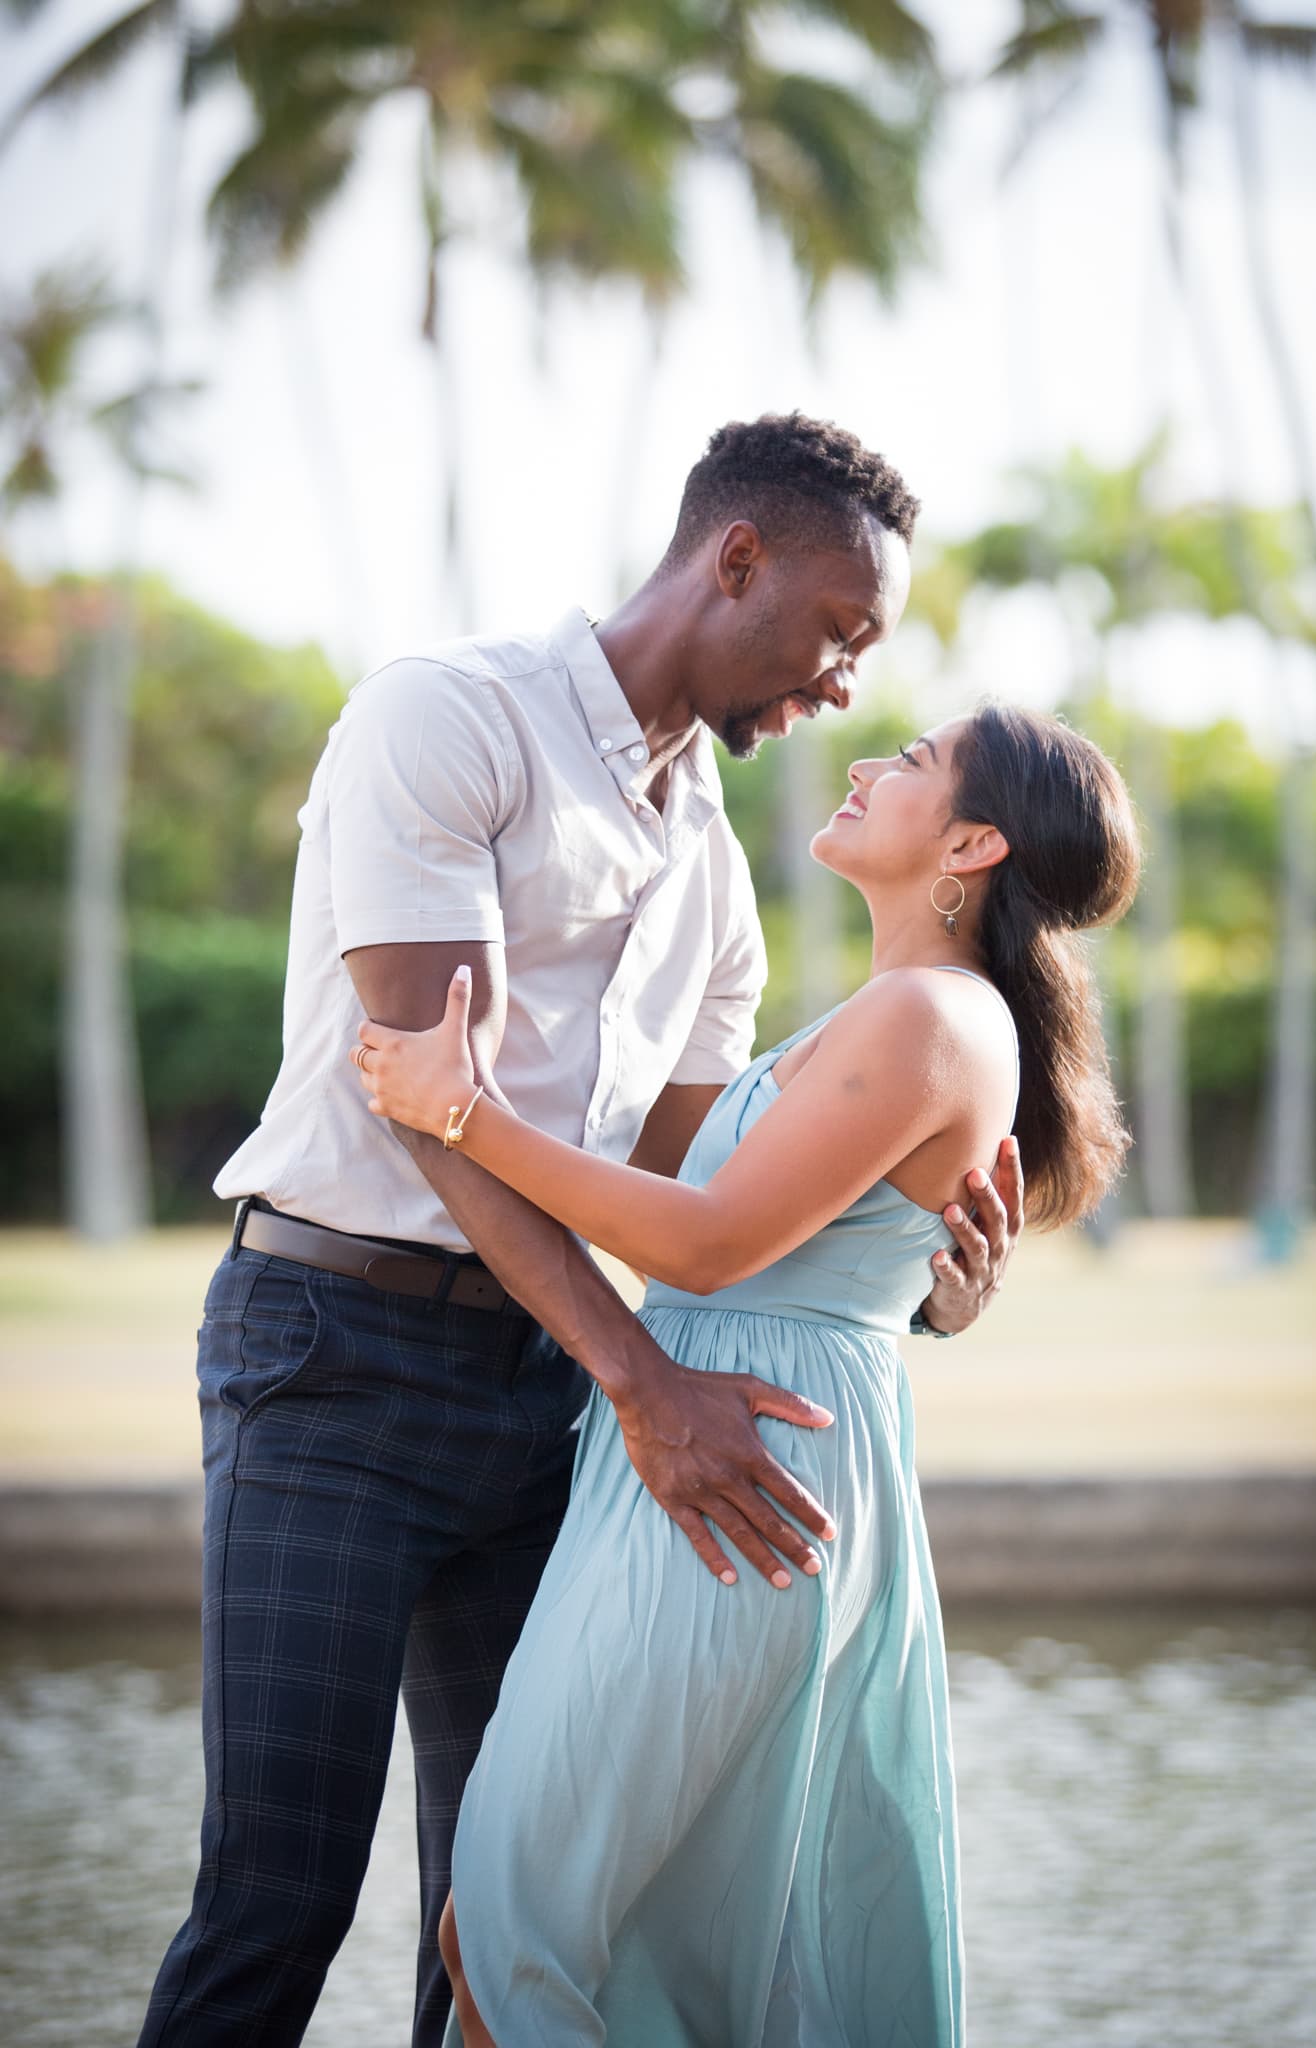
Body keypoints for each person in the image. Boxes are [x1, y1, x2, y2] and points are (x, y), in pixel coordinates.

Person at [137, 414, 1022, 2048]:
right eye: (838, 633)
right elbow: (427, 1094)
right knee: (276, 1893)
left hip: (552, 1402)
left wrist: (921, 1292)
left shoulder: (718, 882)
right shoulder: (447, 718)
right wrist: (639, 1380)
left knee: (505, 1920)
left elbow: (700, 1208)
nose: (842, 687)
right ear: (732, 560)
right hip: (334, 1360)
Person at [351, 701, 1141, 2047]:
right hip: (725, 1461)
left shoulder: (927, 1017)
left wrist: (461, 1113)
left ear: (971, 843)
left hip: (733, 1483)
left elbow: (710, 1246)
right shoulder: (912, 1011)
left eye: (908, 763)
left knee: (514, 1934)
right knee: (581, 1948)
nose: (862, 761)